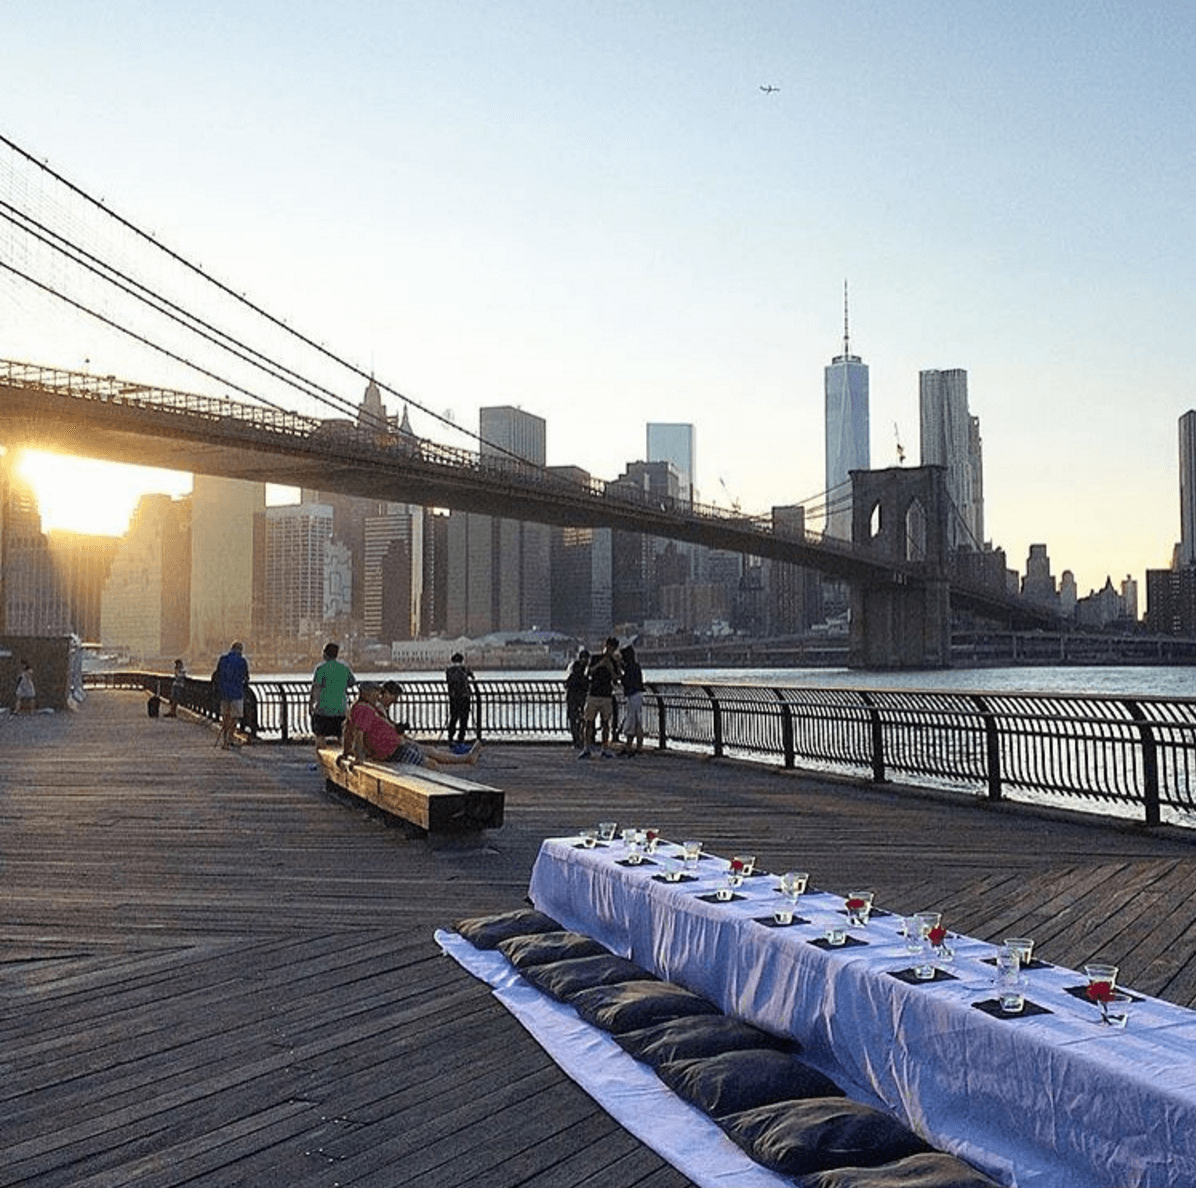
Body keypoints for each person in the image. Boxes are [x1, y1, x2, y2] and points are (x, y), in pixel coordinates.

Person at [340, 682, 480, 771]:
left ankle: (466, 759)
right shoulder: (363, 709)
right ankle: (448, 791)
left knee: (431, 759)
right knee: (431, 765)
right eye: (377, 691)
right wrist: (359, 757)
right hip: (391, 750)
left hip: (394, 746)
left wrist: (347, 752)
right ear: (368, 694)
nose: (379, 694)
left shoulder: (364, 708)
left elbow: (348, 731)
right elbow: (357, 733)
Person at [580, 637, 621, 759]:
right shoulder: (595, 657)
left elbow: (616, 678)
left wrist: (611, 668)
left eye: (613, 649)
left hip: (607, 695)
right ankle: (586, 747)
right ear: (606, 646)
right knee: (589, 722)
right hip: (593, 694)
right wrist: (600, 665)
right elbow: (588, 672)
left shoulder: (614, 661)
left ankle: (605, 748)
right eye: (609, 647)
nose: (611, 651)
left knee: (606, 723)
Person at [310, 642, 356, 748]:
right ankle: (345, 755)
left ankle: (321, 757)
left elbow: (316, 688)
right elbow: (352, 682)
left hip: (323, 709)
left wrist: (311, 705)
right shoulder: (344, 668)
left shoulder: (321, 668)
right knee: (341, 734)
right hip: (341, 708)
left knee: (320, 734)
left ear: (325, 653)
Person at [213, 641, 250, 749]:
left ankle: (225, 740)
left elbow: (217, 674)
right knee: (235, 717)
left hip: (223, 692)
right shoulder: (242, 661)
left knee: (225, 716)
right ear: (240, 650)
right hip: (236, 692)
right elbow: (246, 677)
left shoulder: (223, 659)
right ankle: (230, 738)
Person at [619, 644, 646, 756]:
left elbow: (626, 681)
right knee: (636, 721)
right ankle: (635, 746)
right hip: (637, 695)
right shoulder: (636, 666)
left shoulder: (629, 668)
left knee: (633, 721)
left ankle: (633, 746)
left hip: (632, 695)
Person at [444, 652, 475, 745]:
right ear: (462, 660)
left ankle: (450, 737)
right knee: (464, 718)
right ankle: (461, 738)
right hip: (464, 697)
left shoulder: (449, 670)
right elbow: (473, 677)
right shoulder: (465, 668)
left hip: (453, 697)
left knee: (453, 717)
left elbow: (448, 681)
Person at [564, 650, 590, 750]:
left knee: (574, 719)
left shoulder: (573, 668)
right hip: (579, 696)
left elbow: (568, 682)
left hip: (572, 696)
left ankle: (577, 740)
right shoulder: (584, 669)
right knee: (580, 718)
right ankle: (580, 739)